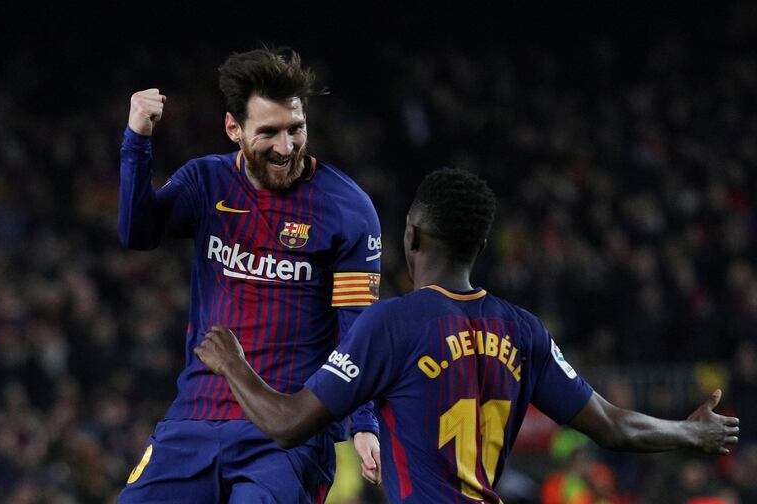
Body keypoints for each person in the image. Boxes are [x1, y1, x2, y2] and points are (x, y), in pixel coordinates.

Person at [195, 168, 741, 503]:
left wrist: (233, 363)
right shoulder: (524, 329)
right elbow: (614, 426)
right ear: (480, 245)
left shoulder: (391, 322)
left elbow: (289, 425)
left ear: (411, 234)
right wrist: (693, 434)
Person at [117, 47, 383, 503]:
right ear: (233, 128)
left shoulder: (348, 209)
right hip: (195, 418)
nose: (286, 147)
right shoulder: (206, 183)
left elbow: (357, 328)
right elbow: (138, 232)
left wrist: (364, 422)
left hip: (287, 435)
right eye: (270, 133)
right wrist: (137, 139)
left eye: (296, 129)